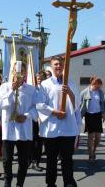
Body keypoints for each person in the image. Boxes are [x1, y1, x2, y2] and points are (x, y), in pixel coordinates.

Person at [36, 56, 82, 187]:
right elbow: (40, 105)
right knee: (51, 160)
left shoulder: (70, 83)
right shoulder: (45, 84)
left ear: (64, 66)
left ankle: (68, 182)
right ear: (51, 66)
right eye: (56, 64)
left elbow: (77, 104)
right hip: (52, 128)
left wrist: (70, 93)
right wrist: (55, 112)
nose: (58, 66)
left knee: (67, 159)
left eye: (60, 64)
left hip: (67, 129)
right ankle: (51, 183)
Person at [0, 62, 38, 187]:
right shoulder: (4, 87)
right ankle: (7, 181)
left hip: (24, 129)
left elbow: (36, 108)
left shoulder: (31, 89)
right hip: (9, 129)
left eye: (22, 71)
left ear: (26, 73)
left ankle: (20, 183)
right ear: (12, 72)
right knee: (7, 159)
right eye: (16, 71)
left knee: (23, 161)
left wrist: (26, 116)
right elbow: (1, 104)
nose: (19, 73)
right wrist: (12, 90)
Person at [80, 77, 105, 162]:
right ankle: (91, 155)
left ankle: (94, 150)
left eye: (100, 86)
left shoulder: (100, 92)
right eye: (97, 86)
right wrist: (80, 117)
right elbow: (80, 105)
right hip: (89, 116)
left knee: (98, 137)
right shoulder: (84, 92)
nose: (99, 88)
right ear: (93, 84)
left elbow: (104, 104)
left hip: (98, 116)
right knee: (91, 136)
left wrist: (104, 114)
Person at [30, 70, 47, 171]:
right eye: (38, 78)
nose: (39, 80)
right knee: (32, 140)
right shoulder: (33, 89)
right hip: (34, 118)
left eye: (41, 78)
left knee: (40, 142)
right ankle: (31, 160)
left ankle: (36, 161)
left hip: (44, 119)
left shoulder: (46, 89)